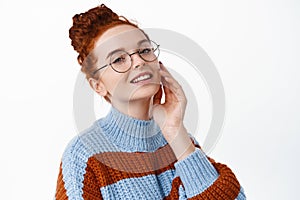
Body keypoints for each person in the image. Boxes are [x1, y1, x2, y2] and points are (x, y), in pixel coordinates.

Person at [55, 4, 246, 200]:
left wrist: (175, 131)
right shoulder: (84, 157)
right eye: (119, 59)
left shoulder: (181, 142)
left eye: (144, 50)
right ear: (98, 86)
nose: (139, 61)